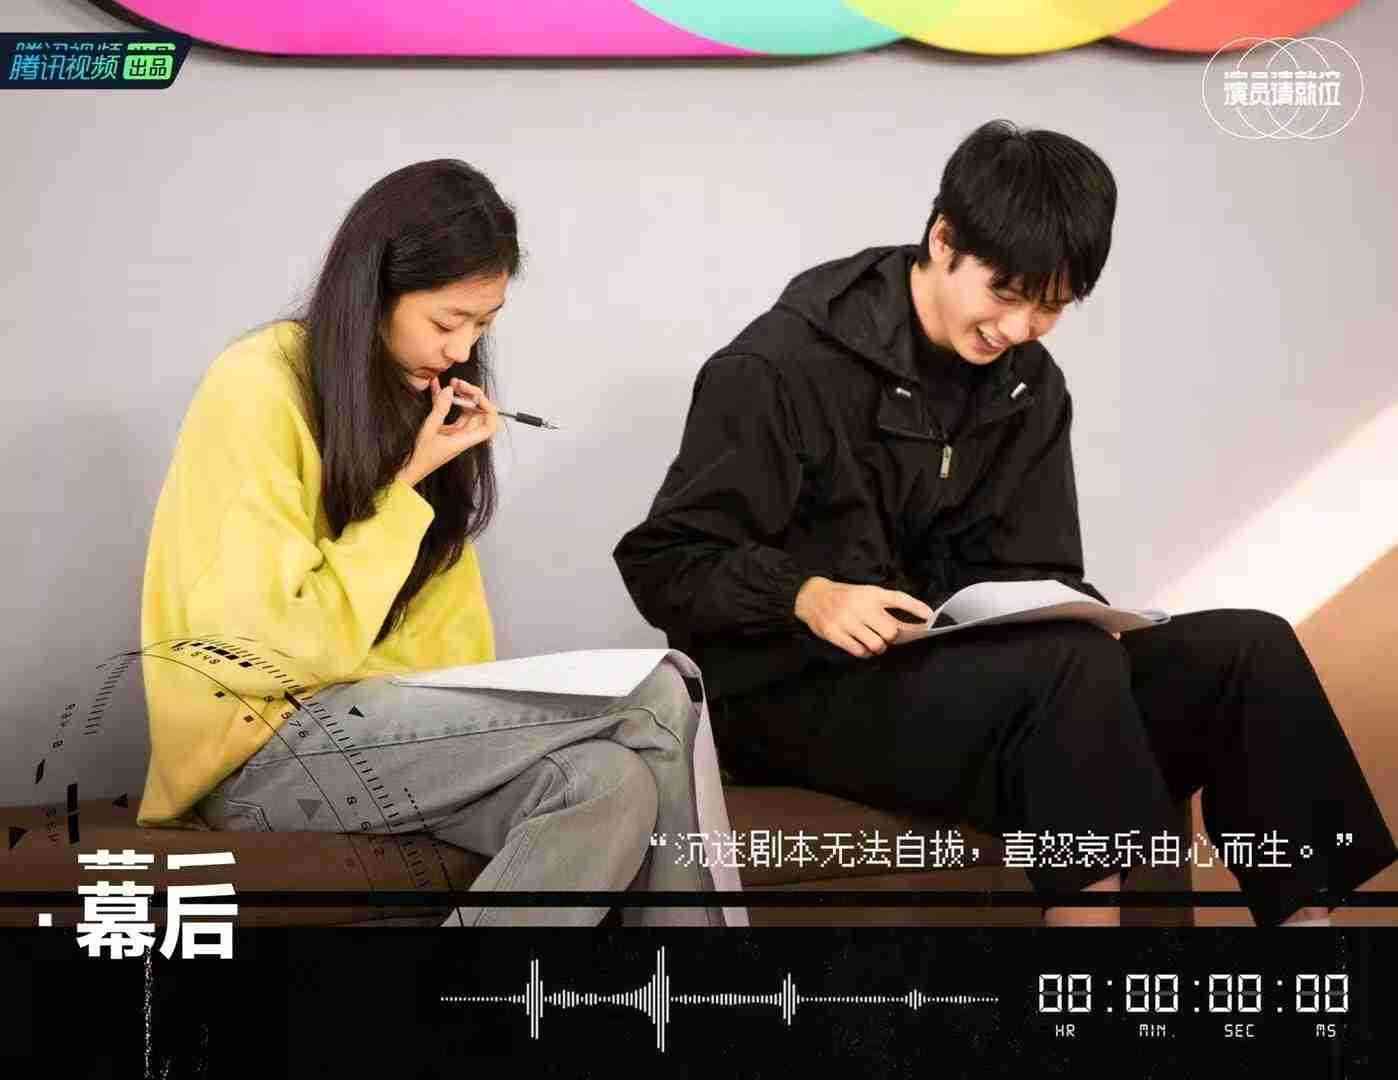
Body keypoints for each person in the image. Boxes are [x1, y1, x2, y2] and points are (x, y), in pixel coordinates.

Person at [613, 120, 1397, 928]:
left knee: (1247, 647)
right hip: (798, 692)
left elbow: (1036, 569)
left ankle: (1312, 959)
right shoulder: (779, 366)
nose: (1019, 329)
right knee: (1068, 670)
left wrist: (1078, 611)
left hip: (962, 680)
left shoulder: (1029, 385)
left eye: (1051, 308)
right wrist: (808, 594)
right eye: (1006, 294)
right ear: (943, 240)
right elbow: (666, 560)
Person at [136, 160, 732, 927]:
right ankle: (694, 991)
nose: (460, 350)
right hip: (257, 747)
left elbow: (446, 647)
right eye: (447, 323)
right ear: (372, 292)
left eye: (483, 326)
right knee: (659, 693)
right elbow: (264, 646)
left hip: (382, 737)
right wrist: (406, 483)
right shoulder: (256, 385)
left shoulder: (416, 401)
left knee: (608, 784)